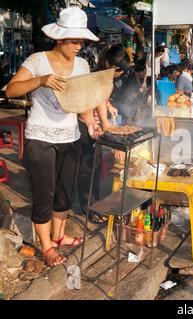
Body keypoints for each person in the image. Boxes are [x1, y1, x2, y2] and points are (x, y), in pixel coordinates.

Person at [5, 7, 102, 267]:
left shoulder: (82, 64)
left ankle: (59, 236)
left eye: (81, 41)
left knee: (64, 192)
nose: (78, 46)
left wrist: (92, 121)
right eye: (74, 40)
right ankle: (46, 247)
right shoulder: (38, 61)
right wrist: (41, 80)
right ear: (59, 38)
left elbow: (82, 100)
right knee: (44, 193)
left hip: (70, 135)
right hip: (41, 137)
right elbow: (11, 90)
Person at [77, 45, 130, 224]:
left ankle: (95, 204)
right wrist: (116, 142)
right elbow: (103, 119)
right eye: (118, 71)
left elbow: (103, 101)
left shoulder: (104, 76)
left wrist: (110, 107)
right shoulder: (100, 79)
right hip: (87, 127)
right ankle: (89, 208)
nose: (120, 74)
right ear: (109, 64)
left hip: (95, 125)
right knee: (88, 168)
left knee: (96, 167)